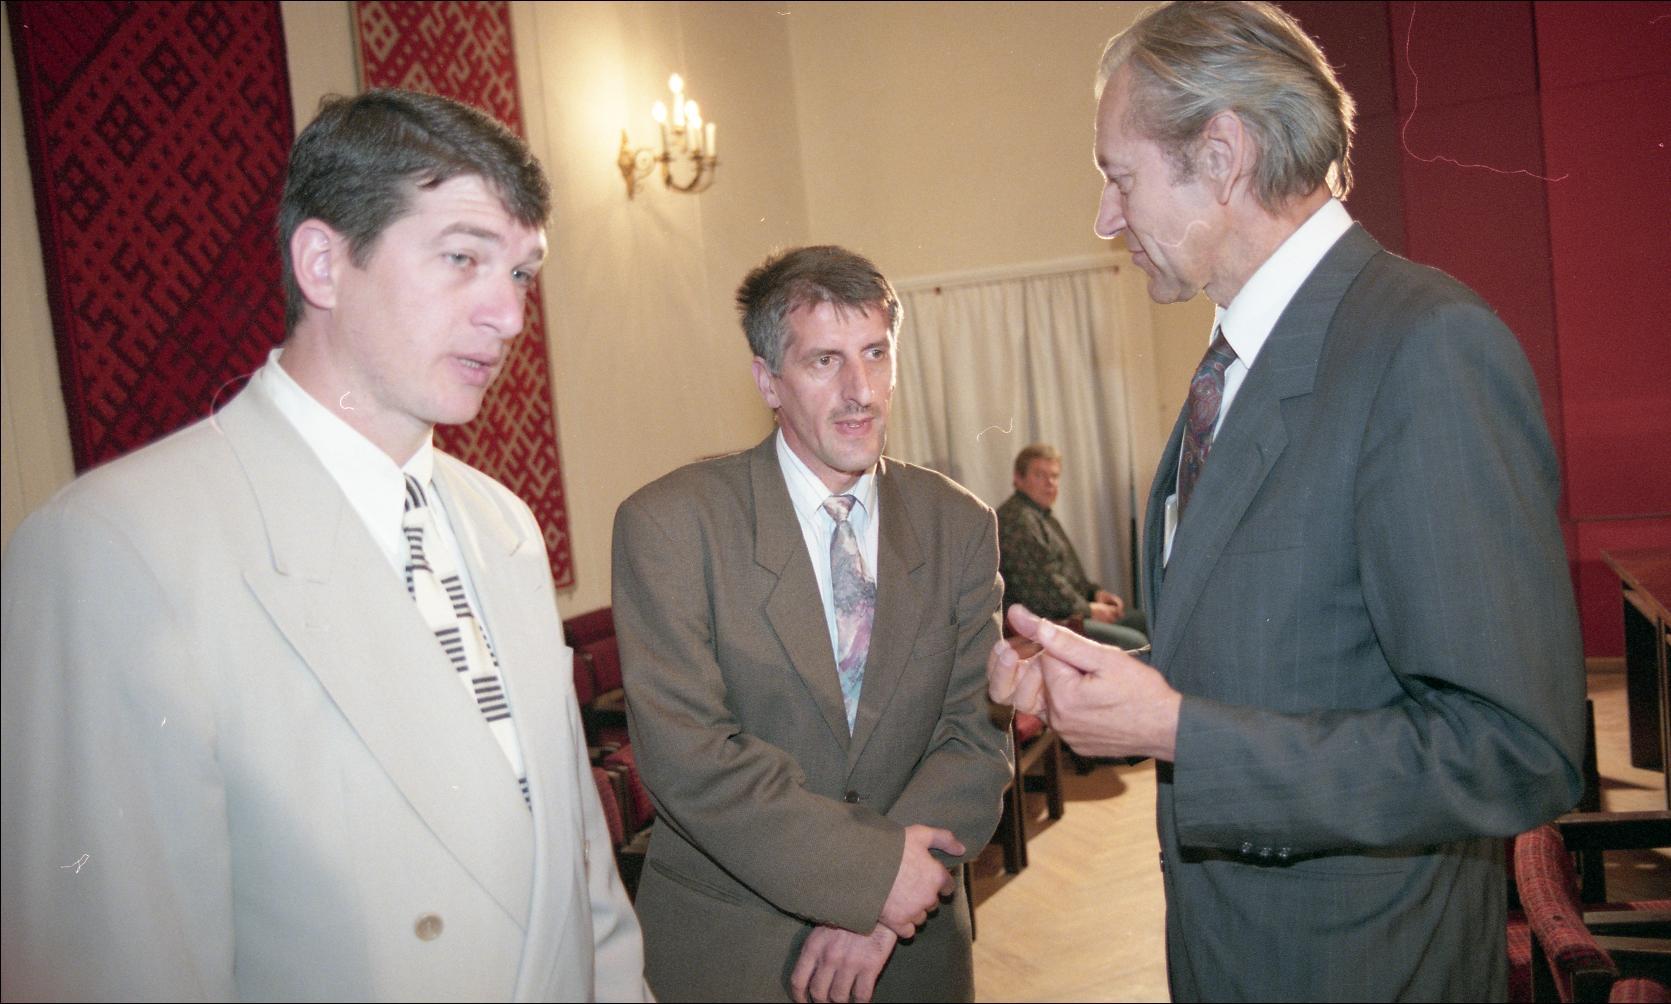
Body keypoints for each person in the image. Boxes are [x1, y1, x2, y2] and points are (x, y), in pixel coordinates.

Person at [987, 3, 1586, 1000]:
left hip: (1365, 964)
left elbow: (1512, 751)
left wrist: (1176, 731)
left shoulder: (1423, 347)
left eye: (1118, 177)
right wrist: (1111, 686)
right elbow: (1292, 651)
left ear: (1222, 155)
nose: (1105, 217)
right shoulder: (1237, 362)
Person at [1, 89, 649, 1001]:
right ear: (322, 263)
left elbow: (580, 882)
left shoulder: (502, 523)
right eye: (463, 257)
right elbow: (108, 962)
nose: (508, 314)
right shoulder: (114, 547)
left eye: (520, 273)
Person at [612, 245, 1011, 1003]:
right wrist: (869, 878)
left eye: (874, 354)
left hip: (913, 943)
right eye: (824, 361)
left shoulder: (959, 523)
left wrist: (885, 910)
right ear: (768, 380)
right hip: (734, 947)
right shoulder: (671, 524)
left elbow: (975, 734)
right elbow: (689, 756)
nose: (860, 391)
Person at [998, 442, 1148, 650]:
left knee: (1145, 621)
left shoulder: (1041, 516)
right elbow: (1045, 593)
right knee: (1136, 643)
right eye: (1040, 475)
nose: (1050, 483)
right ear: (1018, 478)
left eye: (1054, 476)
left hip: (1068, 614)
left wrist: (1095, 593)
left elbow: (1069, 575)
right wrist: (1089, 609)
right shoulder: (1018, 520)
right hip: (1048, 624)